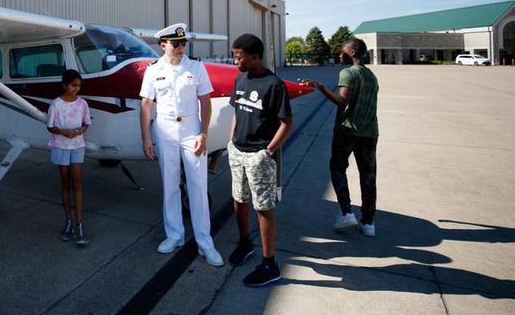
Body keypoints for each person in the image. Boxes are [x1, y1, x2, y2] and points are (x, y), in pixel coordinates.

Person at [140, 23, 224, 266]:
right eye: (176, 44)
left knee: (198, 186)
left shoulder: (195, 67)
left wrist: (204, 134)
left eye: (183, 43)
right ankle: (174, 235)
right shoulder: (153, 70)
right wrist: (146, 138)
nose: (181, 47)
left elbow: (205, 102)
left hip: (191, 130)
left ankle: (205, 243)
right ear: (163, 45)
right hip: (164, 130)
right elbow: (146, 104)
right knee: (170, 185)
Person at [227, 33, 292, 287]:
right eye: (234, 56)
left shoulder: (274, 85)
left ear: (255, 57)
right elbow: (236, 110)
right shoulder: (240, 79)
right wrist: (232, 139)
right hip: (237, 152)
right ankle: (245, 243)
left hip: (259, 156)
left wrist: (267, 151)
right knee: (239, 199)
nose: (235, 61)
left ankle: (269, 263)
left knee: (262, 207)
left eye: (239, 57)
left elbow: (286, 123)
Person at [299, 38, 379, 237]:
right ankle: (368, 222)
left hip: (347, 131)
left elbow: (342, 100)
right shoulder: (371, 75)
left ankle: (346, 212)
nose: (340, 54)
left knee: (337, 168)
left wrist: (320, 87)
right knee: (368, 176)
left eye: (343, 51)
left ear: (352, 53)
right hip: (369, 132)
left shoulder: (348, 72)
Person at [47, 69, 91, 246]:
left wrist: (81, 130)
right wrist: (63, 132)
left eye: (79, 85)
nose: (76, 89)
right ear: (65, 85)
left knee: (77, 183)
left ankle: (79, 225)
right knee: (65, 183)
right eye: (73, 85)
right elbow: (50, 127)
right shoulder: (56, 104)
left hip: (77, 146)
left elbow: (86, 123)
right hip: (60, 146)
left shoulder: (82, 104)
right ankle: (68, 222)